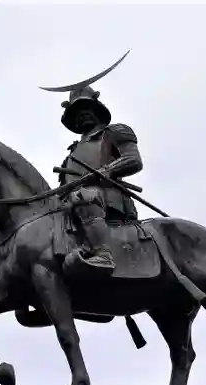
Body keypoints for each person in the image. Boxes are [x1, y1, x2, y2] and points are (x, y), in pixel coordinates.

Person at [57, 85, 143, 274]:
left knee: (84, 195)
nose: (82, 115)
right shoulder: (71, 154)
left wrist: (106, 170)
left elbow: (133, 160)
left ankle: (103, 254)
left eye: (86, 109)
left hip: (107, 200)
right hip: (73, 210)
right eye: (76, 113)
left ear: (97, 110)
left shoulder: (114, 132)